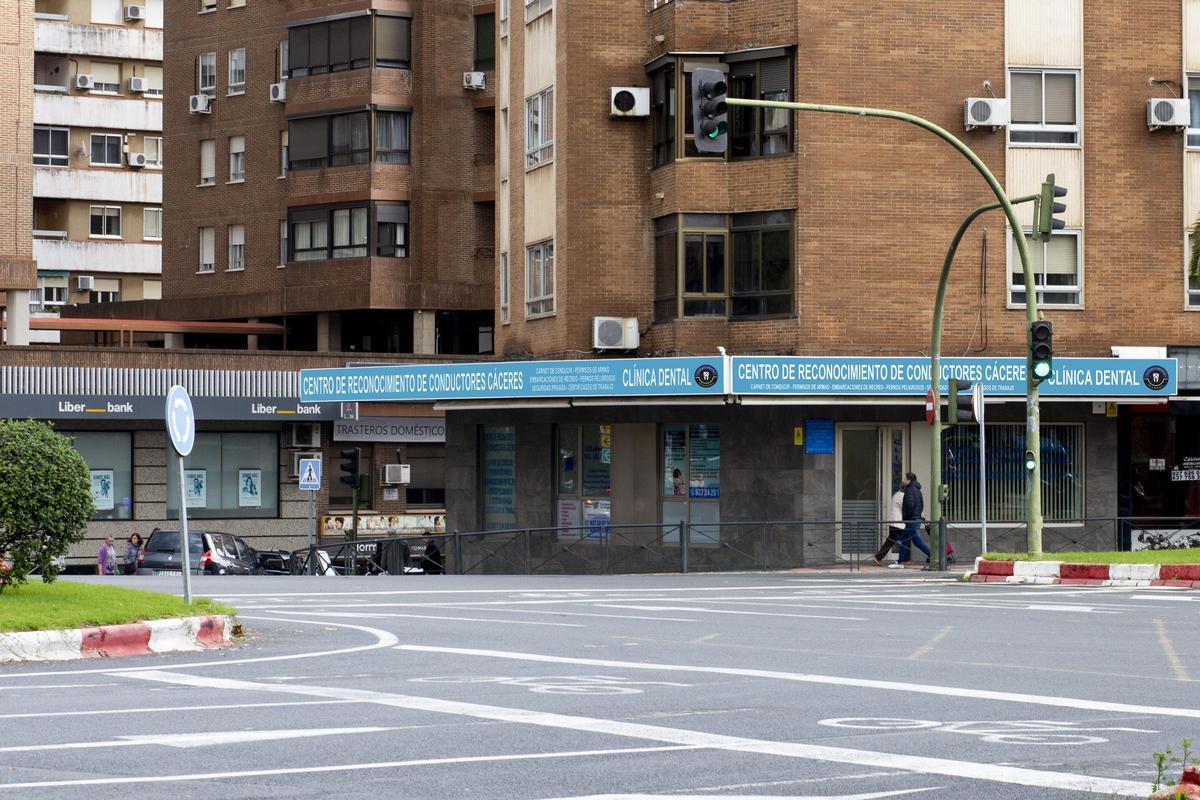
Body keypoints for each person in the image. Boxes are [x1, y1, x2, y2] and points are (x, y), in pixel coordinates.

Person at [897, 472, 932, 567]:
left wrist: (906, 516)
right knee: (904, 540)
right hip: (914, 519)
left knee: (917, 542)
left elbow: (909, 505)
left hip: (911, 520)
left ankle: (934, 556)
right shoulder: (917, 490)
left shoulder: (909, 490)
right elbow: (921, 504)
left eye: (904, 479)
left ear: (909, 480)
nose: (903, 481)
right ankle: (900, 561)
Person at [872, 482, 908, 567]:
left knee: (892, 539)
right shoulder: (903, 496)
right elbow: (905, 508)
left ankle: (879, 557)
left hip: (894, 521)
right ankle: (904, 559)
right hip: (898, 521)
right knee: (904, 538)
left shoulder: (896, 494)